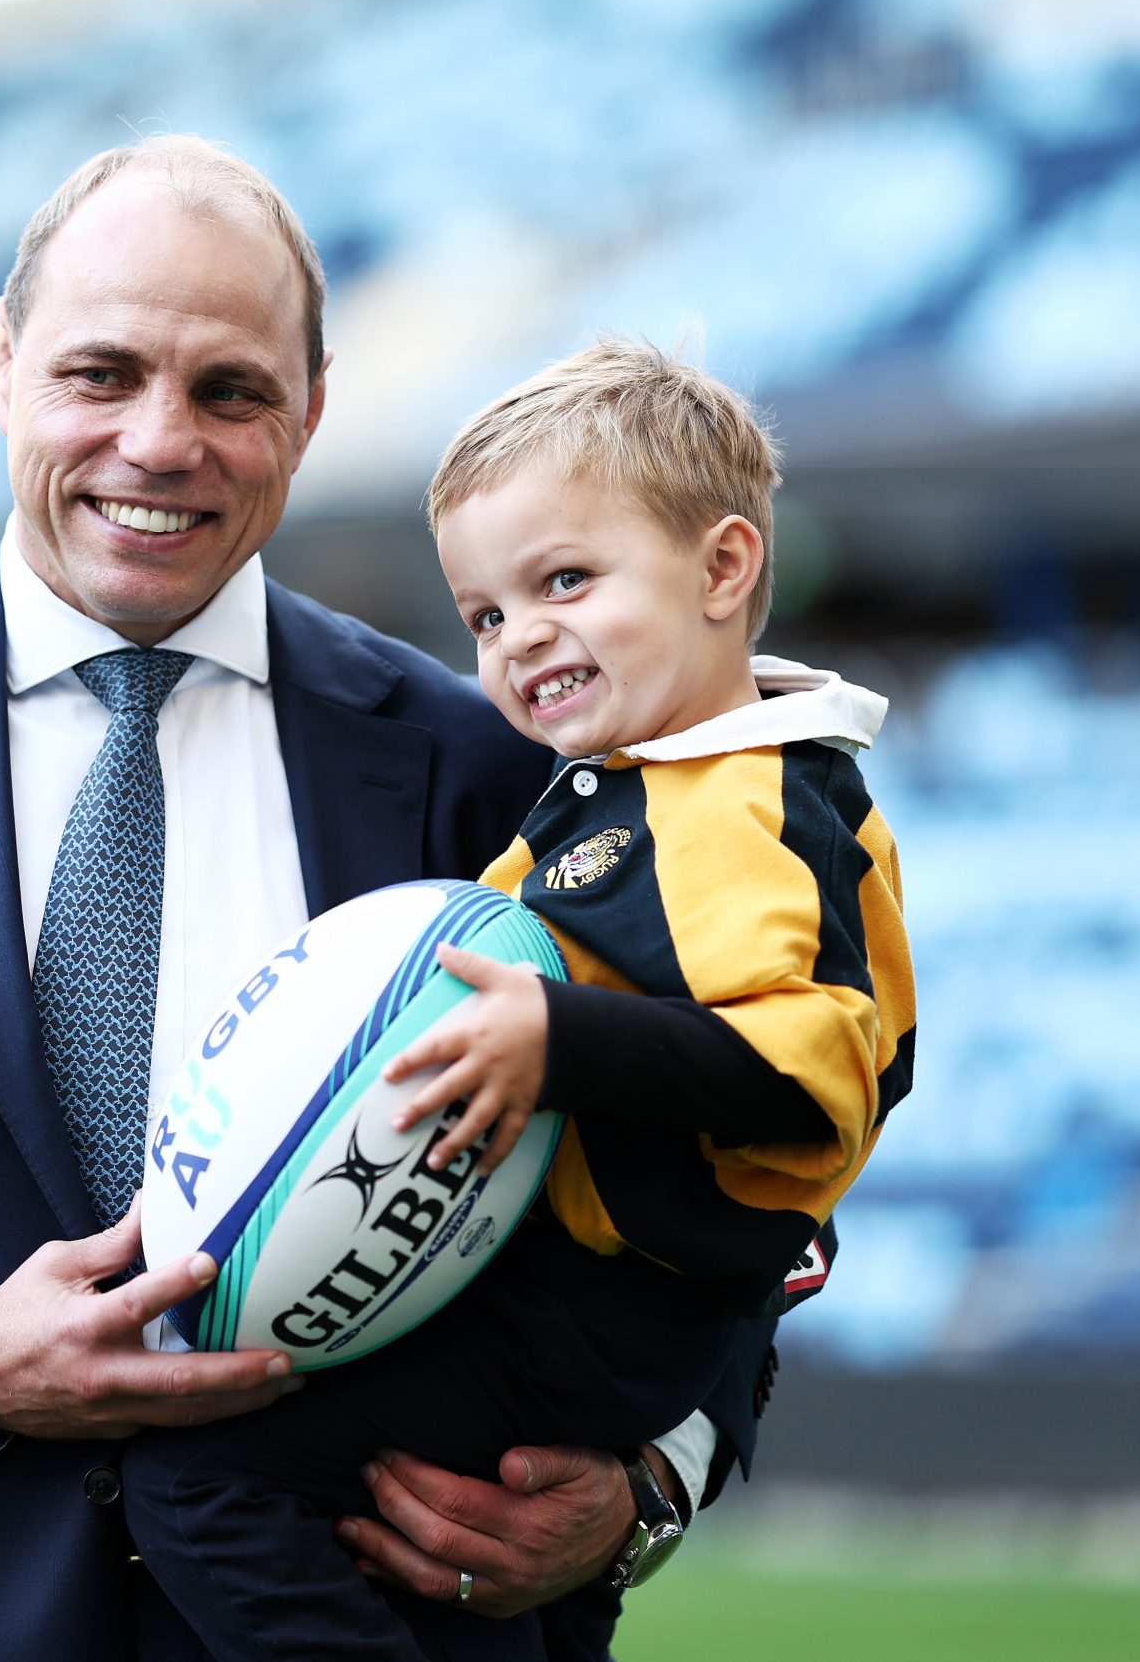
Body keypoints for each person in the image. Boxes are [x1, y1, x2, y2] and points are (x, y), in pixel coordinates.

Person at [0, 139, 785, 1662]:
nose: (158, 439)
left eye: (230, 392)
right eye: (101, 373)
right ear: (6, 369)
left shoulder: (490, 751)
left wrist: (651, 1478)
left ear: (312, 410)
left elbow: (735, 1145)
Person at [122, 338, 915, 1659]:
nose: (520, 637)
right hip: (567, 1288)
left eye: (565, 580)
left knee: (200, 1476)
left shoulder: (752, 804)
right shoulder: (613, 792)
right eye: (486, 614)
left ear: (724, 569)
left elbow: (807, 1073)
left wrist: (557, 1040)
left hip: (611, 1304)